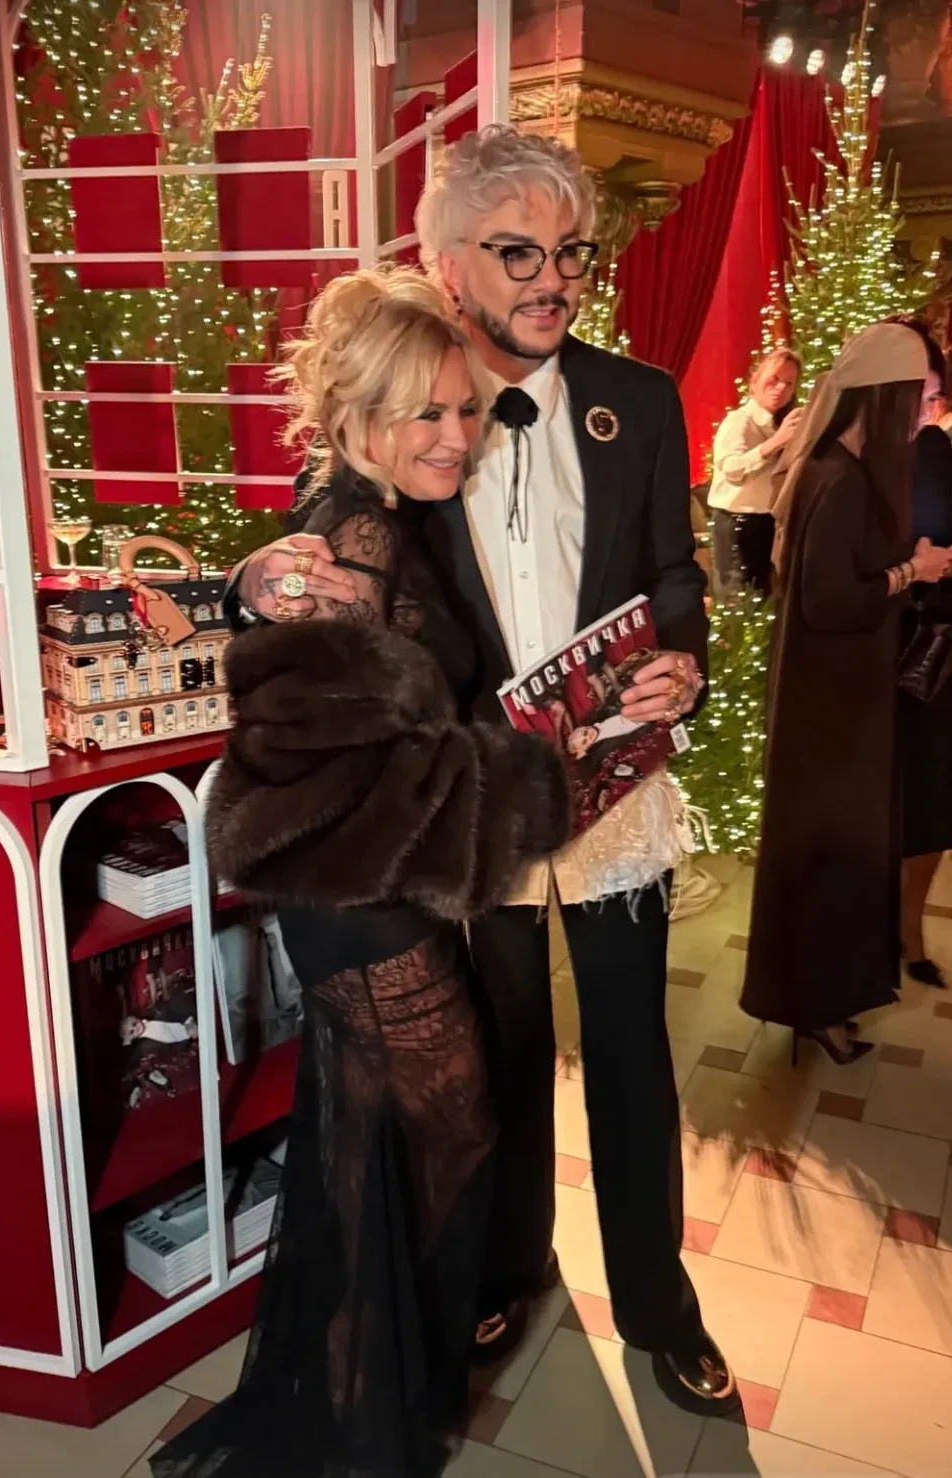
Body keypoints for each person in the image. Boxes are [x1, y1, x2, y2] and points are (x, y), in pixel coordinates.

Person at [226, 126, 735, 1417]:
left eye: (572, 253)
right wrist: (247, 582)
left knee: (632, 1050)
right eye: (518, 252)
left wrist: (680, 657)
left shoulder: (641, 399)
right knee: (503, 1049)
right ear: (446, 262)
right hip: (478, 809)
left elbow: (675, 570)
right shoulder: (414, 403)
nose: (552, 278)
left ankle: (658, 1301)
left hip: (612, 791)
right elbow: (317, 538)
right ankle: (510, 1267)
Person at [151, 270, 572, 1478]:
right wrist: (537, 780)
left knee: (367, 1134)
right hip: (361, 896)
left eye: (464, 407)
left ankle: (348, 1395)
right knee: (452, 1123)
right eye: (425, 412)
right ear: (358, 416)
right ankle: (364, 1400)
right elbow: (341, 754)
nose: (456, 433)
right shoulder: (361, 528)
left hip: (358, 890)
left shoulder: (366, 508)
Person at [741, 323, 952, 1065]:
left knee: (838, 856)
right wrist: (911, 573)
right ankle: (815, 1007)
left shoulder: (842, 468)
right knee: (830, 858)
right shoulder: (840, 478)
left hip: (841, 702)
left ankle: (820, 1002)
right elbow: (829, 601)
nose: (924, 414)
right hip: (832, 711)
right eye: (916, 398)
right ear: (885, 397)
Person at [889, 319, 952, 988]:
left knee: (932, 803)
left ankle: (908, 931)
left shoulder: (934, 449)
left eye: (931, 394)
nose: (923, 407)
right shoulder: (841, 457)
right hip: (863, 652)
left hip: (932, 653)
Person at [708, 348, 804, 597]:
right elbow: (731, 468)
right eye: (774, 379)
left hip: (767, 524)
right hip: (737, 525)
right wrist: (775, 443)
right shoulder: (739, 421)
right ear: (755, 381)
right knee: (739, 602)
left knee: (764, 600)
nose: (780, 388)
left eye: (789, 383)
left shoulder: (783, 423)